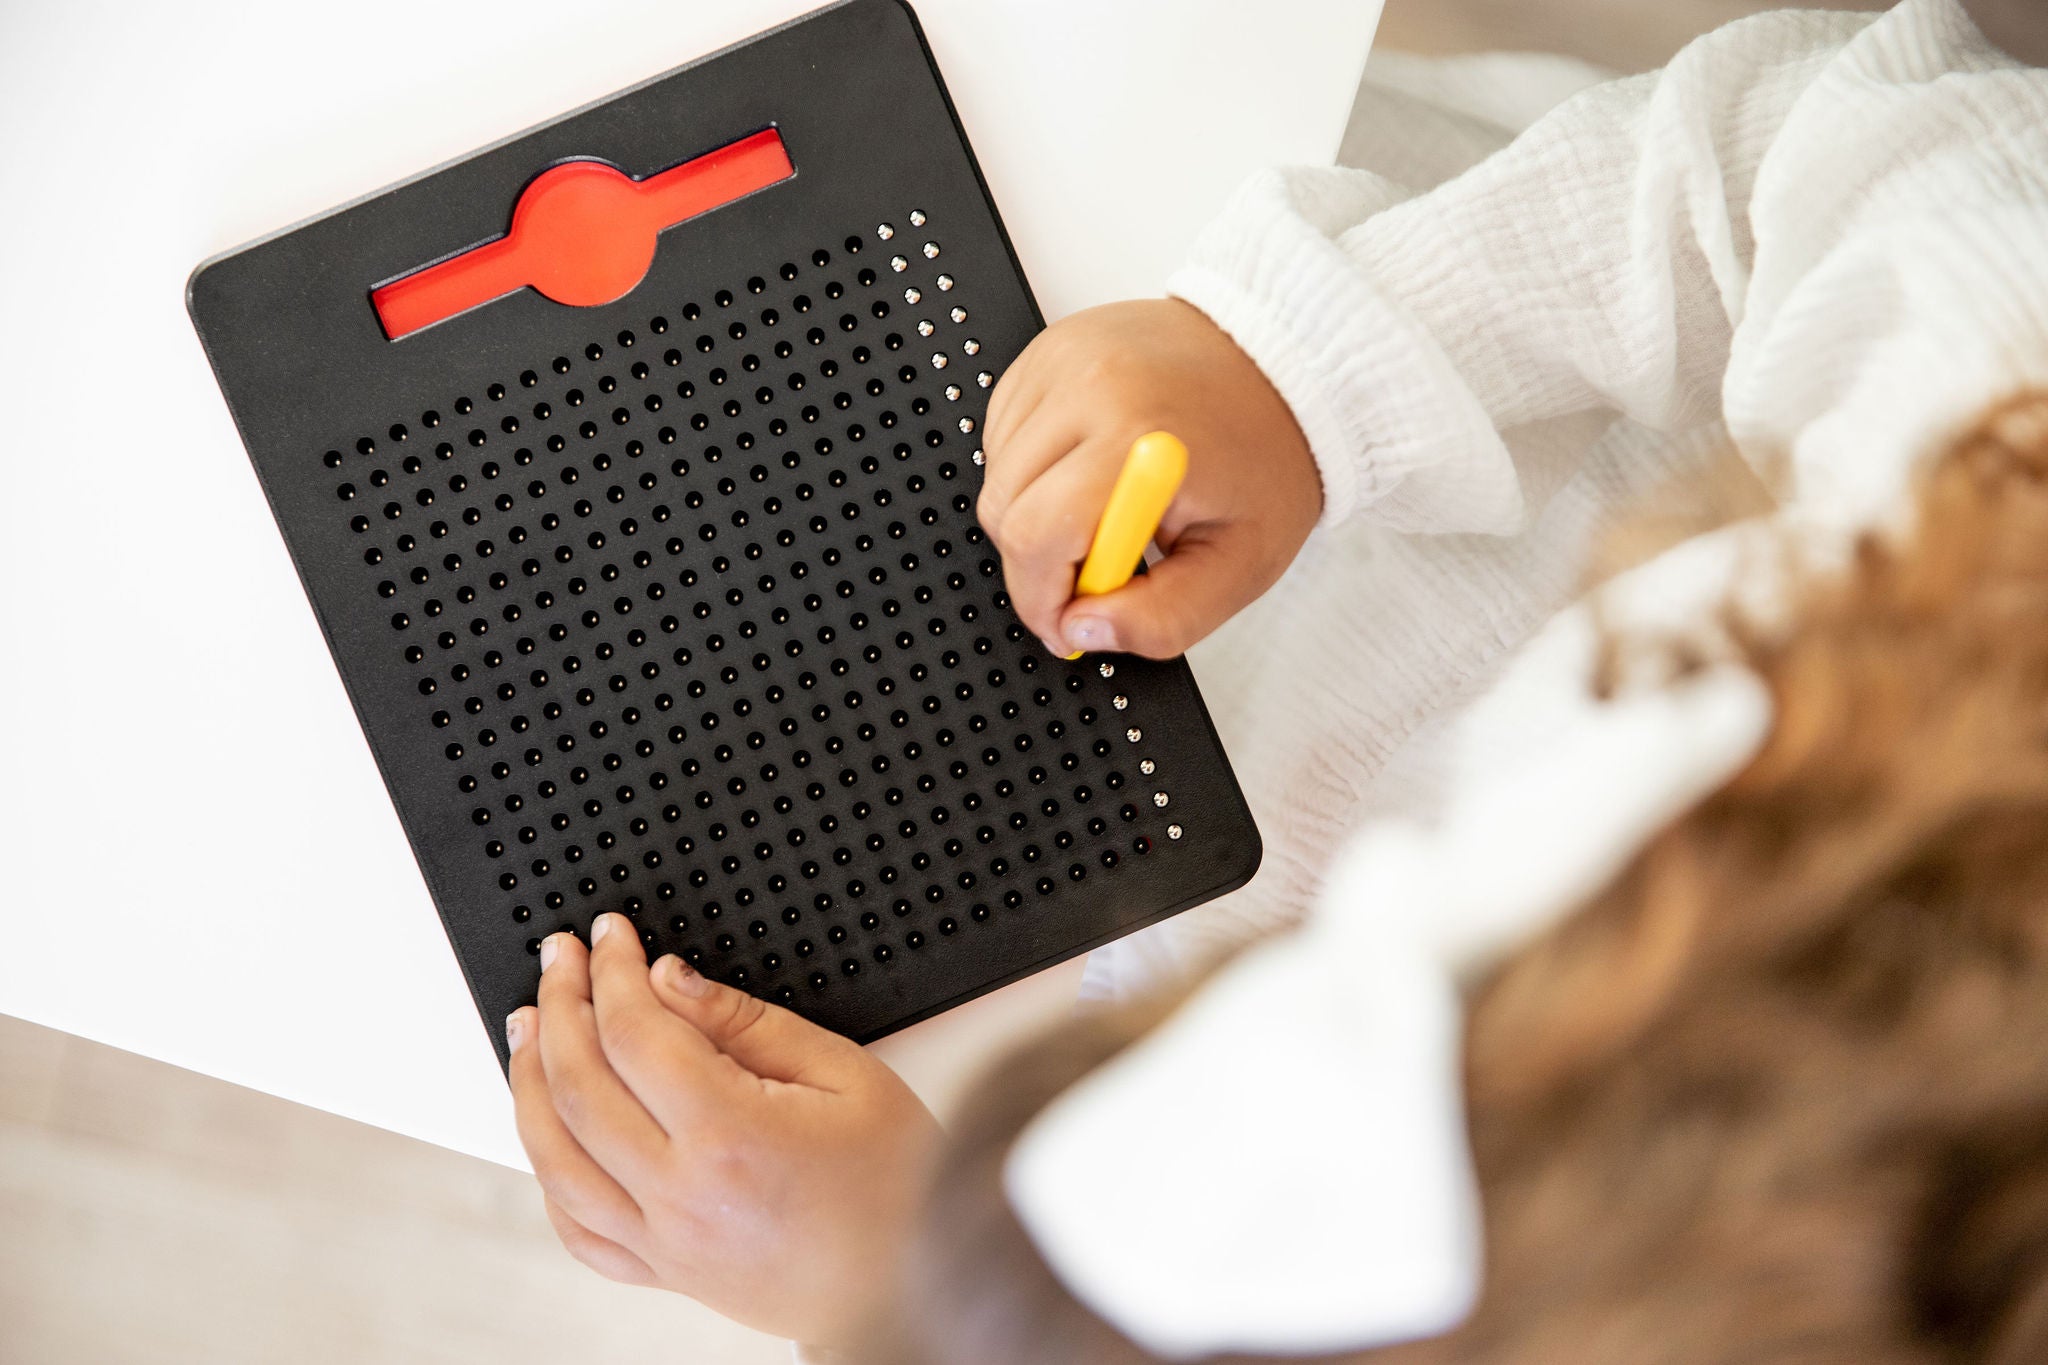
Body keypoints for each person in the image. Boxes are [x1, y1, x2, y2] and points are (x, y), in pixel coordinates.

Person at [502, 0, 2048, 1357]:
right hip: (1388, 296)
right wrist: (1310, 375)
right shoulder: (1983, 512)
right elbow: (1825, 151)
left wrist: (894, 1278)